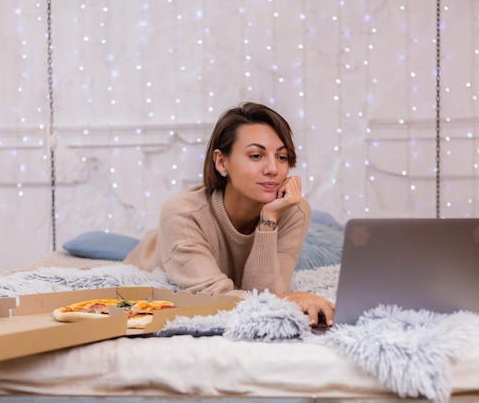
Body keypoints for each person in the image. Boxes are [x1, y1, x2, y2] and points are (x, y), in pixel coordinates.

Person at [124, 102, 335, 326]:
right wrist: (289, 298)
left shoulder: (294, 211)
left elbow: (267, 295)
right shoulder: (182, 213)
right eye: (256, 155)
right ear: (221, 161)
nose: (273, 169)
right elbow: (212, 297)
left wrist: (268, 220)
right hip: (155, 252)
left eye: (282, 157)